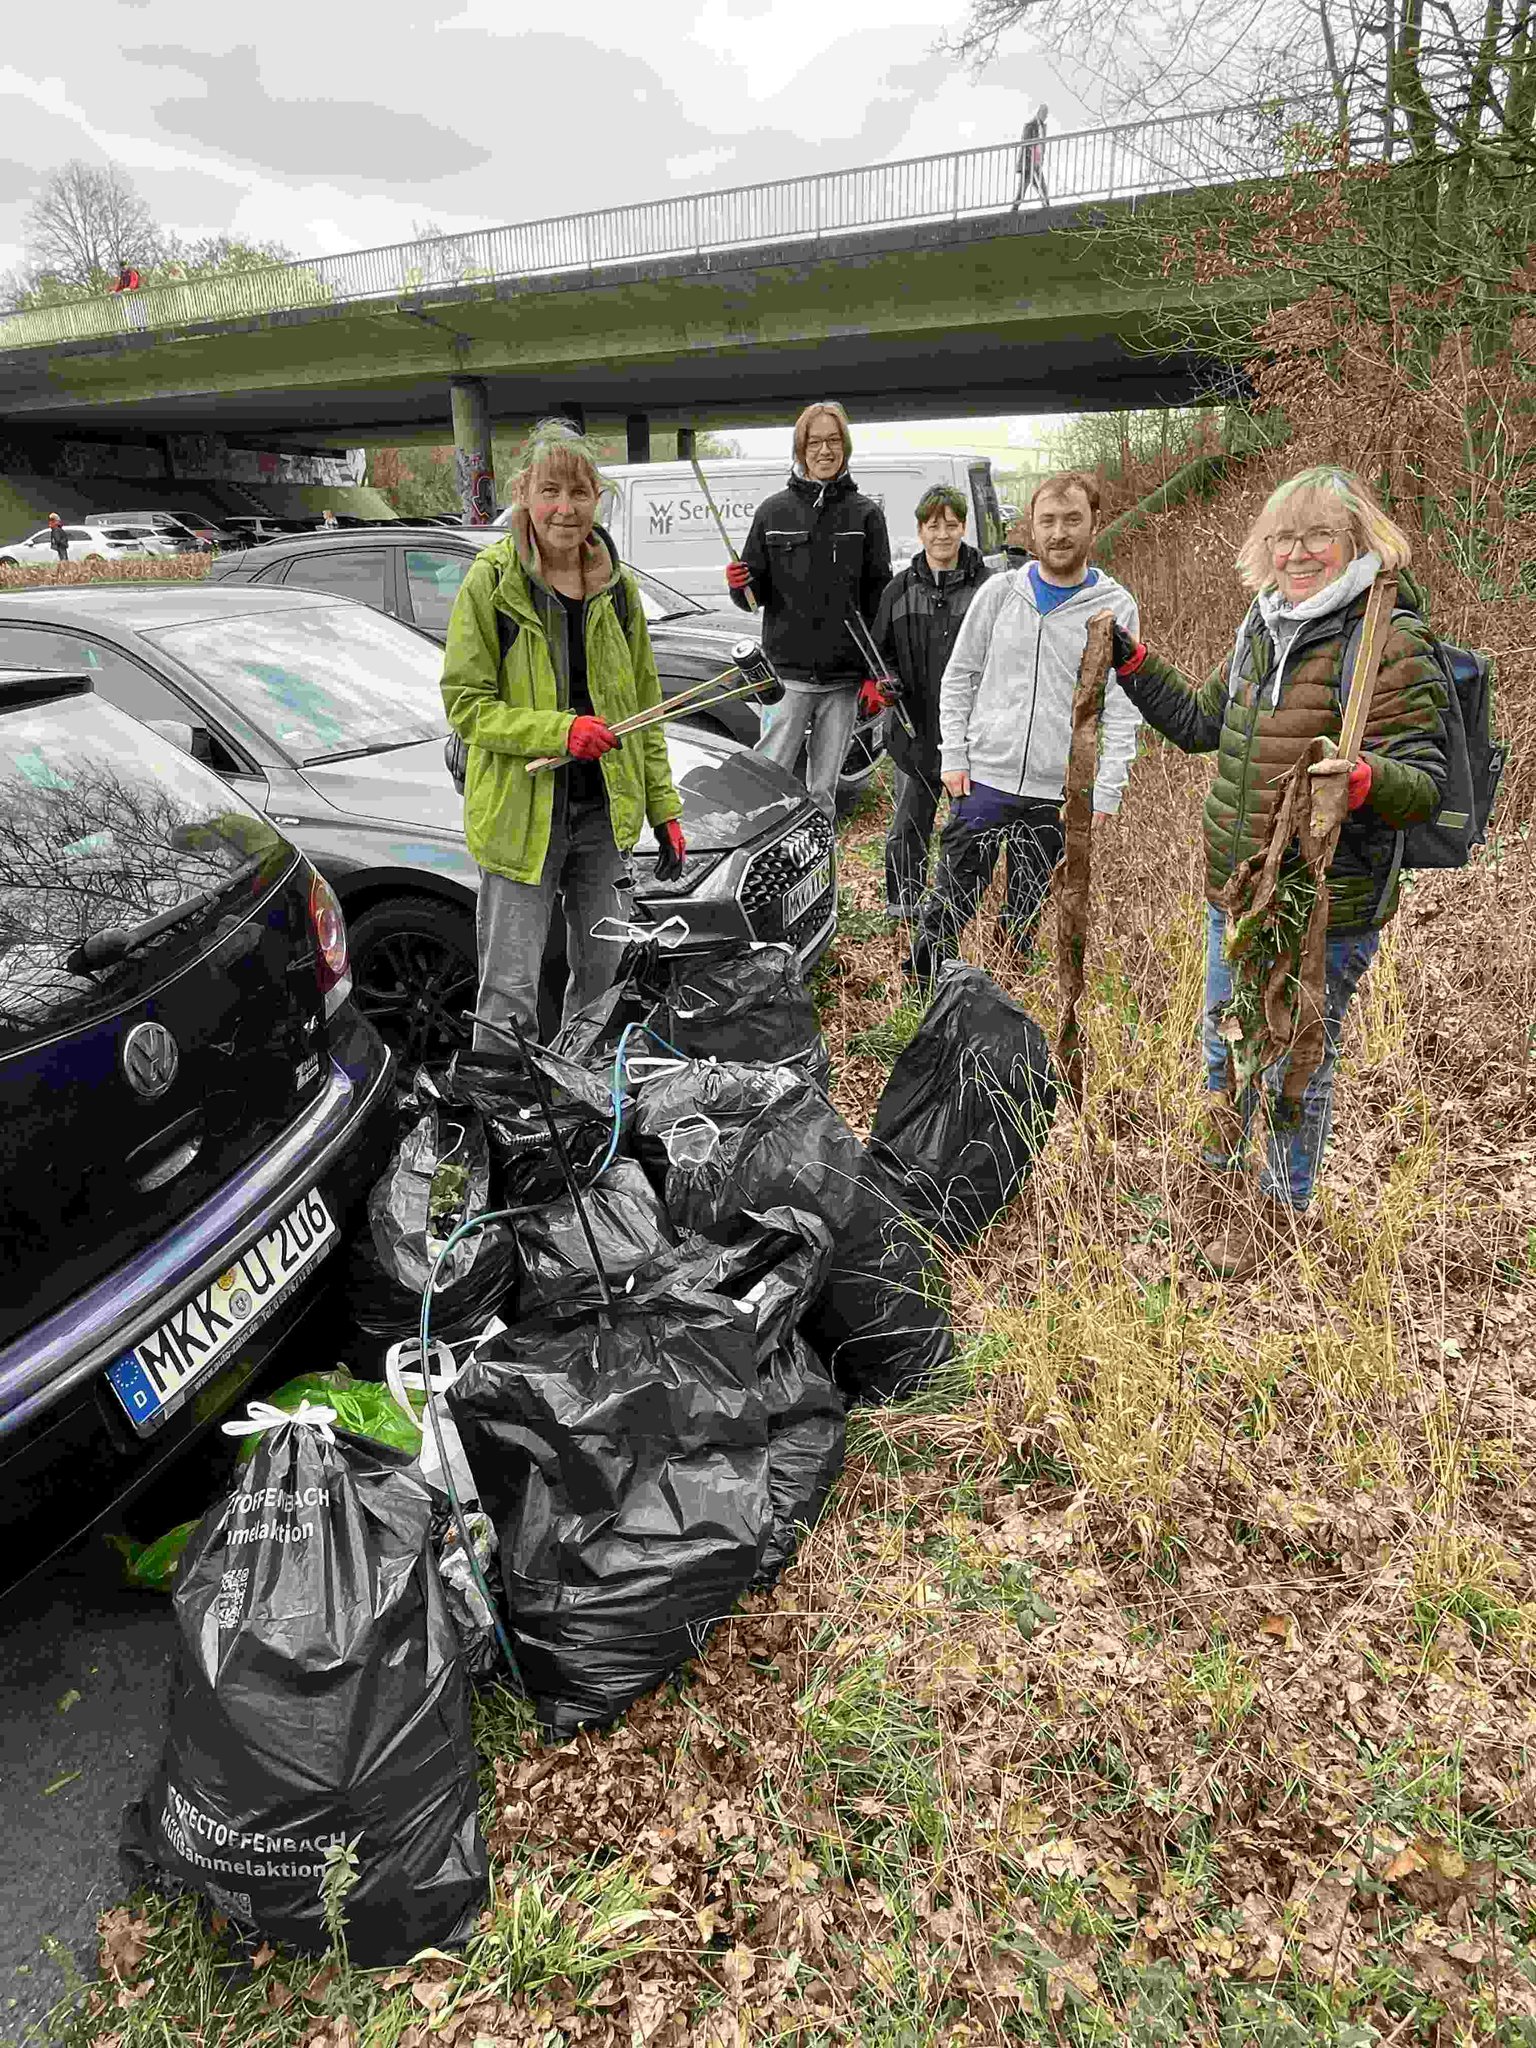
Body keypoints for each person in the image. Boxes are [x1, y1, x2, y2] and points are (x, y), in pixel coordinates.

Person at [1107, 465, 1448, 1275]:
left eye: (1318, 535)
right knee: (1225, 1049)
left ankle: (1282, 1214)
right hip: (1238, 889)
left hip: (1327, 901)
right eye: (1283, 536)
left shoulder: (1388, 639)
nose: (1298, 552)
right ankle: (1222, 1188)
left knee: (1297, 1061)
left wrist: (1365, 780)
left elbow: (1425, 786)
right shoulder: (1262, 625)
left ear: (1356, 542)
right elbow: (1201, 727)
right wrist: (1133, 663)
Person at [440, 419, 686, 1048]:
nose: (564, 509)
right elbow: (467, 706)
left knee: (603, 980)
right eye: (551, 491)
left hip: (603, 816)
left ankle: (579, 1108)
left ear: (596, 499)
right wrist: (560, 731)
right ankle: (504, 1118)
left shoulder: (618, 588)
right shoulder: (490, 583)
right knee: (509, 990)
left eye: (579, 493)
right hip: (520, 816)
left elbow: (645, 706)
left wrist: (664, 807)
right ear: (524, 492)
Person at [907, 470, 1141, 980]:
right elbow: (959, 676)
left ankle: (1008, 992)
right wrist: (954, 755)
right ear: (1031, 530)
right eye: (1048, 521)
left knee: (1025, 913)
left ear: (1093, 524)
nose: (1059, 533)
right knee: (950, 901)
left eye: (1072, 520)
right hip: (984, 780)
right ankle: (921, 993)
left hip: (1056, 790)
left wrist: (1107, 788)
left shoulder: (1115, 606)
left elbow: (1124, 705)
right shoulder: (1000, 593)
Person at [727, 400, 892, 822]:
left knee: (823, 793)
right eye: (815, 442)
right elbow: (752, 597)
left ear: (845, 447)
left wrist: (877, 673)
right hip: (786, 679)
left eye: (833, 441)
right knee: (767, 782)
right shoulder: (772, 512)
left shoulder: (867, 515)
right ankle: (763, 868)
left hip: (842, 683)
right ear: (801, 449)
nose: (824, 450)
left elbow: (879, 601)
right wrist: (738, 585)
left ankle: (816, 873)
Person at [869, 484, 993, 920]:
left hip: (974, 735)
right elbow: (879, 653)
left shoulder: (989, 589)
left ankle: (961, 905)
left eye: (952, 524)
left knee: (970, 826)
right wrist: (887, 683)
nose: (943, 533)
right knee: (909, 824)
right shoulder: (897, 590)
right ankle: (903, 905)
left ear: (963, 528)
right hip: (913, 730)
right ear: (920, 531)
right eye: (933, 525)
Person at [1014, 105, 1049, 207]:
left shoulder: (1042, 127)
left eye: (1046, 114)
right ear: (1038, 113)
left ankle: (1047, 208)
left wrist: (1039, 161)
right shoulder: (1030, 126)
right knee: (1021, 193)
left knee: (1043, 190)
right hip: (1027, 164)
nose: (1045, 116)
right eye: (1043, 113)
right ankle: (1013, 212)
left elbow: (1041, 146)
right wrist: (1034, 159)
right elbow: (1027, 144)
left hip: (1036, 164)